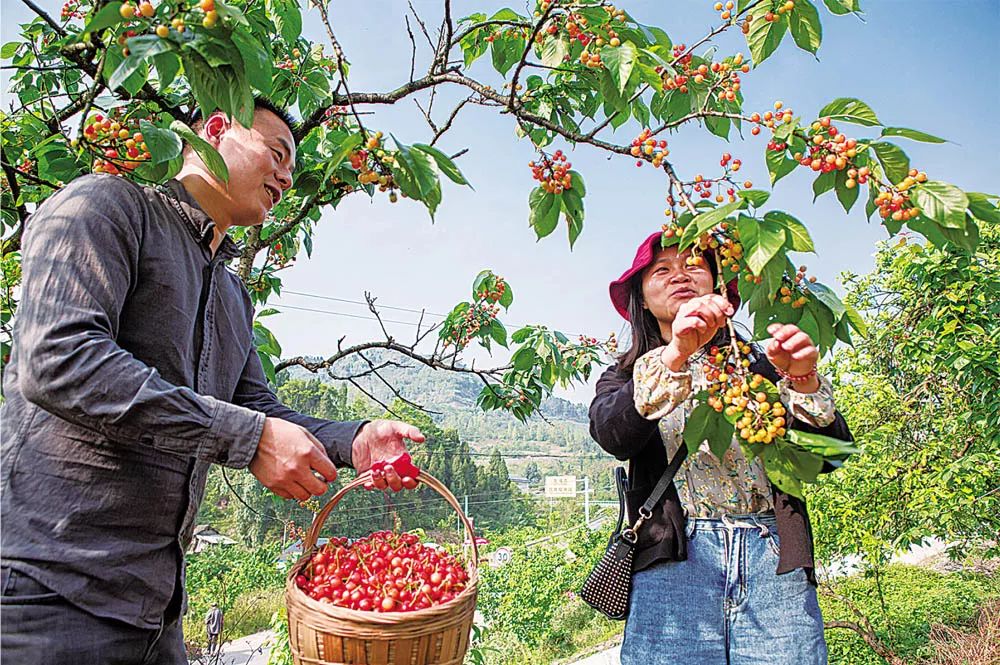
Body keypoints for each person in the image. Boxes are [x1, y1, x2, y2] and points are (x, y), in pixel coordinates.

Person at [0, 98, 423, 664]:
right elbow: (58, 357)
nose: (287, 176)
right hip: (47, 596)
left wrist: (355, 439)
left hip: (155, 613)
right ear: (217, 129)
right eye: (276, 153)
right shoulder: (104, 205)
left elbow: (258, 410)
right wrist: (247, 439)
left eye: (292, 168)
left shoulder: (229, 293)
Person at [589, 231, 853, 664]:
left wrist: (803, 381)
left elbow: (829, 458)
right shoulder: (627, 375)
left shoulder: (763, 366)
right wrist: (676, 354)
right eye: (662, 270)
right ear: (641, 297)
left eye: (694, 266)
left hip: (772, 560)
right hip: (674, 566)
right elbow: (613, 436)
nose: (680, 276)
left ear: (717, 285)